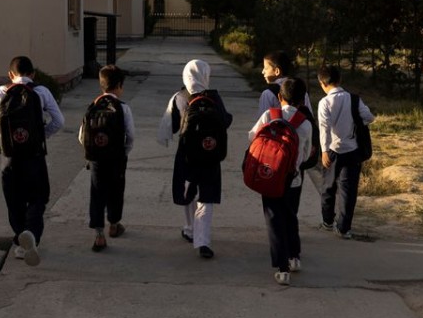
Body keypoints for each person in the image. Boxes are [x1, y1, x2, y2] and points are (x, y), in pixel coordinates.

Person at [0, 56, 64, 266]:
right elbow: (58, 121)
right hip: (34, 155)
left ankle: (20, 242)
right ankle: (31, 234)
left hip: (9, 157)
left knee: (14, 199)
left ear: (10, 75)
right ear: (33, 74)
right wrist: (40, 135)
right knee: (38, 198)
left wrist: (4, 138)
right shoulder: (42, 92)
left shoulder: (2, 92)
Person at [157, 59, 233, 259]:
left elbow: (171, 127)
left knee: (188, 192)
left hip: (187, 156)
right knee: (206, 198)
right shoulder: (215, 98)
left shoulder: (180, 96)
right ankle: (203, 242)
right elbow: (225, 121)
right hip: (211, 156)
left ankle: (189, 229)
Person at [248, 78, 312, 285]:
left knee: (274, 219)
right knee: (290, 216)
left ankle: (282, 268)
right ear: (302, 100)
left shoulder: (269, 115)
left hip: (271, 175)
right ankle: (294, 258)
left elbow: (252, 136)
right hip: (293, 179)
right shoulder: (305, 123)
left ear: (278, 97)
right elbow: (307, 152)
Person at [79, 65, 135, 252]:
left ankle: (99, 235)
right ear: (119, 85)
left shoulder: (92, 106)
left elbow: (81, 136)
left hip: (96, 160)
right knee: (116, 191)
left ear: (101, 85)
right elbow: (131, 135)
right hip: (117, 159)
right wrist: (124, 152)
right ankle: (114, 224)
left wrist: (92, 152)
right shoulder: (123, 108)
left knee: (97, 194)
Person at [316, 65, 375, 239]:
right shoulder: (354, 99)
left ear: (322, 83)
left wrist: (324, 151)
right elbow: (369, 117)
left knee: (328, 187)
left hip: (333, 151)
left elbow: (324, 128)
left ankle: (327, 221)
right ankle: (344, 228)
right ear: (340, 80)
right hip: (352, 150)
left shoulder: (324, 102)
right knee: (348, 190)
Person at [258, 50, 312, 117]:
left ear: (277, 71)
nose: (263, 72)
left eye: (266, 68)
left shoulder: (268, 94)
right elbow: (309, 116)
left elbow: (263, 121)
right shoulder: (301, 91)